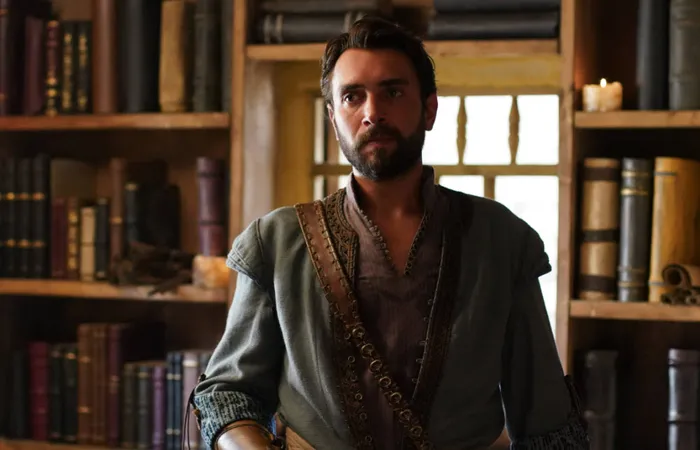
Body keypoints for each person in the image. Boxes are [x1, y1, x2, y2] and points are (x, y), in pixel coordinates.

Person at [191, 15, 589, 450]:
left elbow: (547, 422)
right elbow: (228, 394)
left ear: (429, 109)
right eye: (352, 97)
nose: (372, 113)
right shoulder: (277, 242)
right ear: (333, 118)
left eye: (392, 92)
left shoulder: (500, 239)